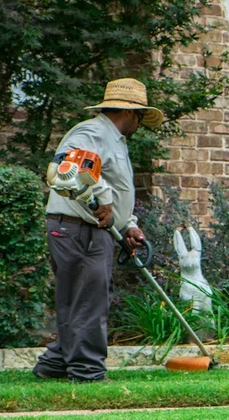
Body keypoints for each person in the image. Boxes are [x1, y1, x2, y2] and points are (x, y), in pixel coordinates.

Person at [32, 78, 164, 382]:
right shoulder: (91, 132)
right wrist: (104, 200)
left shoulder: (112, 138)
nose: (140, 123)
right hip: (79, 229)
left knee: (79, 299)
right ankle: (87, 371)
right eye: (140, 117)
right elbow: (67, 167)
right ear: (129, 113)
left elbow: (112, 186)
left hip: (88, 229)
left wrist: (127, 224)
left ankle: (54, 364)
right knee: (89, 301)